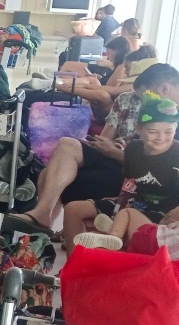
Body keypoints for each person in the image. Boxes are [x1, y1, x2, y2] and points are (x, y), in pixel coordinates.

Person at [5, 63, 179, 240]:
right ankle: (42, 216)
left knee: (47, 175)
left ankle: (46, 222)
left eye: (145, 97)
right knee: (66, 144)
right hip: (114, 153)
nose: (142, 102)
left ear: (164, 89)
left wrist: (115, 153)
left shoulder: (170, 122)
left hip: (133, 171)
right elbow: (105, 138)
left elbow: (151, 168)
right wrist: (106, 147)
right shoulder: (128, 100)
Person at [68, 92, 179, 249]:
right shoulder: (133, 149)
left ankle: (111, 241)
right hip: (136, 203)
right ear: (138, 128)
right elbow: (128, 187)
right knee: (73, 210)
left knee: (121, 231)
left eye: (168, 131)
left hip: (165, 215)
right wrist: (117, 212)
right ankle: (75, 269)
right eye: (153, 131)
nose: (161, 137)